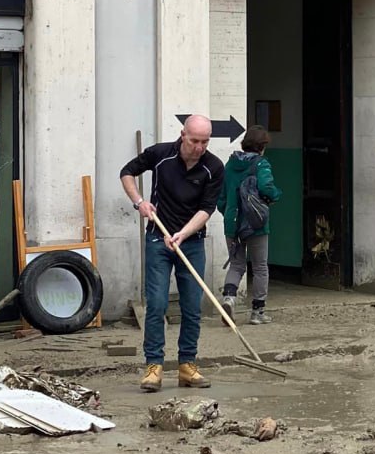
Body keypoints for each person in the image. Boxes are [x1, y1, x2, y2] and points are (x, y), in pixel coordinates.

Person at [120, 115, 225, 393]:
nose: (199, 147)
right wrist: (139, 202)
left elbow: (206, 209)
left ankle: (187, 365)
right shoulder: (160, 154)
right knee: (156, 304)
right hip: (158, 238)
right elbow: (126, 172)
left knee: (192, 307)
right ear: (183, 135)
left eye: (205, 142)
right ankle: (153, 366)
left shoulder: (214, 166)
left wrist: (183, 234)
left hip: (190, 242)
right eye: (194, 141)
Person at [218, 124, 282, 326]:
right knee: (260, 267)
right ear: (262, 146)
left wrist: (229, 214)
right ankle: (258, 312)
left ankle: (229, 298)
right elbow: (267, 188)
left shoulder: (229, 164)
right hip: (255, 223)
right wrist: (276, 196)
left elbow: (221, 197)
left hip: (232, 222)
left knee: (237, 264)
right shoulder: (261, 164)